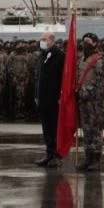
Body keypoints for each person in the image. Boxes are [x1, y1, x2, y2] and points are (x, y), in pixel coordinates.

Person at [76, 32, 104, 172]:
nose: (85, 43)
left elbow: (102, 83)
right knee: (86, 129)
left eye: (88, 41)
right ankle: (88, 157)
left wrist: (96, 99)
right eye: (84, 41)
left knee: (95, 130)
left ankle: (96, 159)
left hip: (94, 101)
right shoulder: (82, 59)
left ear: (95, 43)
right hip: (83, 99)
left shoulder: (99, 60)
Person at [34, 31, 65, 168]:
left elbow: (63, 79)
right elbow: (39, 77)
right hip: (43, 98)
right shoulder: (42, 55)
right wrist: (37, 94)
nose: (42, 41)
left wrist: (61, 95)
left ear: (52, 40)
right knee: (46, 128)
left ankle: (56, 156)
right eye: (41, 39)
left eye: (44, 39)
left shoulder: (60, 56)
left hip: (54, 98)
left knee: (54, 128)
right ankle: (49, 153)